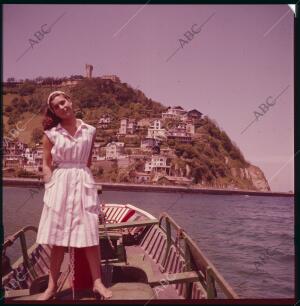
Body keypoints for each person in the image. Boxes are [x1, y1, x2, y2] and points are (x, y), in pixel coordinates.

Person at [36, 91, 112, 300]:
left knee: (90, 236)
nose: (62, 107)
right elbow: (46, 164)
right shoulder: (51, 134)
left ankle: (97, 283)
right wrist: (50, 186)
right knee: (57, 239)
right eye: (56, 107)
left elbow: (87, 162)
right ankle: (51, 288)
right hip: (59, 184)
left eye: (63, 102)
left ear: (70, 101)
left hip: (83, 181)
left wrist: (84, 179)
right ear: (54, 112)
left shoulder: (90, 131)